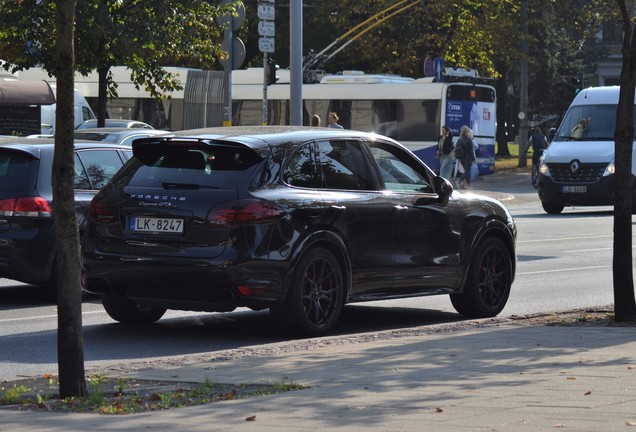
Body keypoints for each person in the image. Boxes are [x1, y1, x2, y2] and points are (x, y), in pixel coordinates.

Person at [454, 125, 476, 189]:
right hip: (467, 158)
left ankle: (468, 185)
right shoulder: (468, 140)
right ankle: (459, 181)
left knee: (467, 171)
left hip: (461, 158)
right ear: (467, 132)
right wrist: (473, 159)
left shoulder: (459, 140)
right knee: (467, 171)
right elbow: (470, 151)